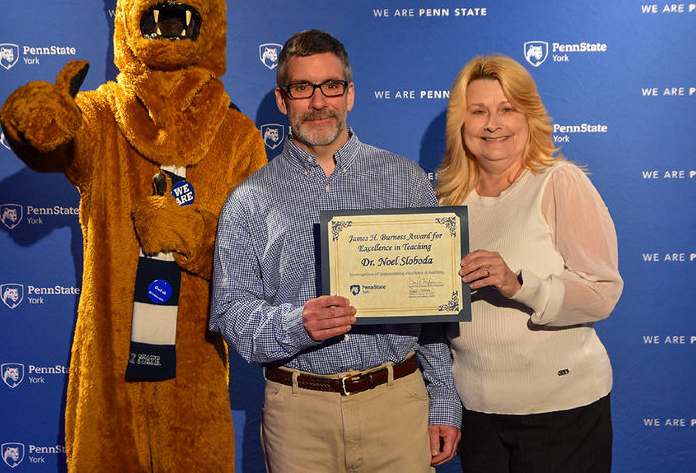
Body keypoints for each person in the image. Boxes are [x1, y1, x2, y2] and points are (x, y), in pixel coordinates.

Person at [210, 29, 461, 471]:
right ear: (283, 100)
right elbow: (230, 312)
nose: (318, 101)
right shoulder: (248, 199)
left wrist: (442, 398)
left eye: (331, 86)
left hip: (396, 404)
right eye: (303, 88)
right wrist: (298, 323)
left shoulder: (405, 181)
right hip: (297, 414)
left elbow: (434, 307)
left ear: (350, 95)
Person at [435, 54, 623, 472]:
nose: (492, 124)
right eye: (478, 111)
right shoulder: (444, 200)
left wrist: (520, 285)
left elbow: (602, 293)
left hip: (561, 411)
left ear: (529, 117)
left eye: (507, 109)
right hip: (477, 413)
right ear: (461, 123)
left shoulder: (559, 181)